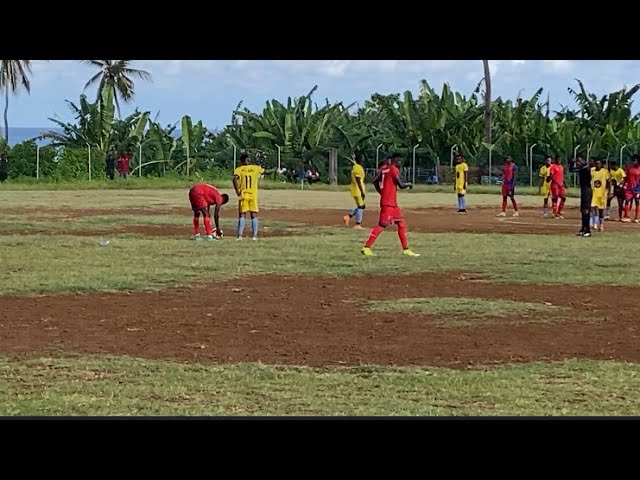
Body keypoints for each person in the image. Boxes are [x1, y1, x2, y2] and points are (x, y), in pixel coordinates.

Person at [361, 153, 419, 257]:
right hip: (388, 204)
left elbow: (375, 181)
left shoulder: (383, 169)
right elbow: (401, 185)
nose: (400, 163)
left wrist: (382, 192)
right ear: (395, 161)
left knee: (401, 223)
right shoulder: (393, 169)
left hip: (391, 204)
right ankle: (366, 247)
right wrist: (409, 184)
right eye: (399, 161)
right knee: (382, 225)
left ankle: (406, 249)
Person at [233, 153, 271, 240]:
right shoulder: (255, 168)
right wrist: (275, 170)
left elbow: (235, 179)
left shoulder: (239, 169)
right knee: (253, 215)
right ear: (248, 160)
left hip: (244, 194)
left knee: (242, 215)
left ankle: (240, 236)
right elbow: (266, 172)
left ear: (241, 161)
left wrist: (237, 190)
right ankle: (254, 236)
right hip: (253, 195)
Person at [569, 155, 592, 237]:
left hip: (587, 190)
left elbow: (577, 168)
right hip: (583, 190)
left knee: (586, 210)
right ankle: (583, 228)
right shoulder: (582, 167)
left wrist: (579, 162)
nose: (578, 163)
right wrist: (572, 162)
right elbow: (571, 169)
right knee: (582, 210)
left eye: (579, 161)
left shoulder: (585, 167)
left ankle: (588, 230)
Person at [343, 154, 367, 230]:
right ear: (359, 160)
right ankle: (357, 224)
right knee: (361, 206)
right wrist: (362, 191)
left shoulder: (356, 167)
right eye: (362, 158)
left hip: (356, 189)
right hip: (357, 190)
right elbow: (358, 180)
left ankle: (348, 217)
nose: (363, 160)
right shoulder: (358, 168)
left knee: (361, 206)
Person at [589, 158, 610, 233]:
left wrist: (609, 191)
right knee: (592, 208)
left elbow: (608, 182)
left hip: (602, 194)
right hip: (594, 192)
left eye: (599, 163)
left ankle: (601, 224)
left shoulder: (605, 172)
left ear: (601, 164)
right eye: (596, 163)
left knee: (601, 210)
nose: (598, 165)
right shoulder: (592, 171)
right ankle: (592, 224)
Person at [622, 155, 640, 223]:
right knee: (627, 201)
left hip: (637, 188)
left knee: (637, 201)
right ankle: (627, 216)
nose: (633, 162)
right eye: (632, 160)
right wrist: (623, 184)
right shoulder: (629, 168)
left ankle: (637, 217)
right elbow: (626, 178)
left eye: (634, 161)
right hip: (629, 188)